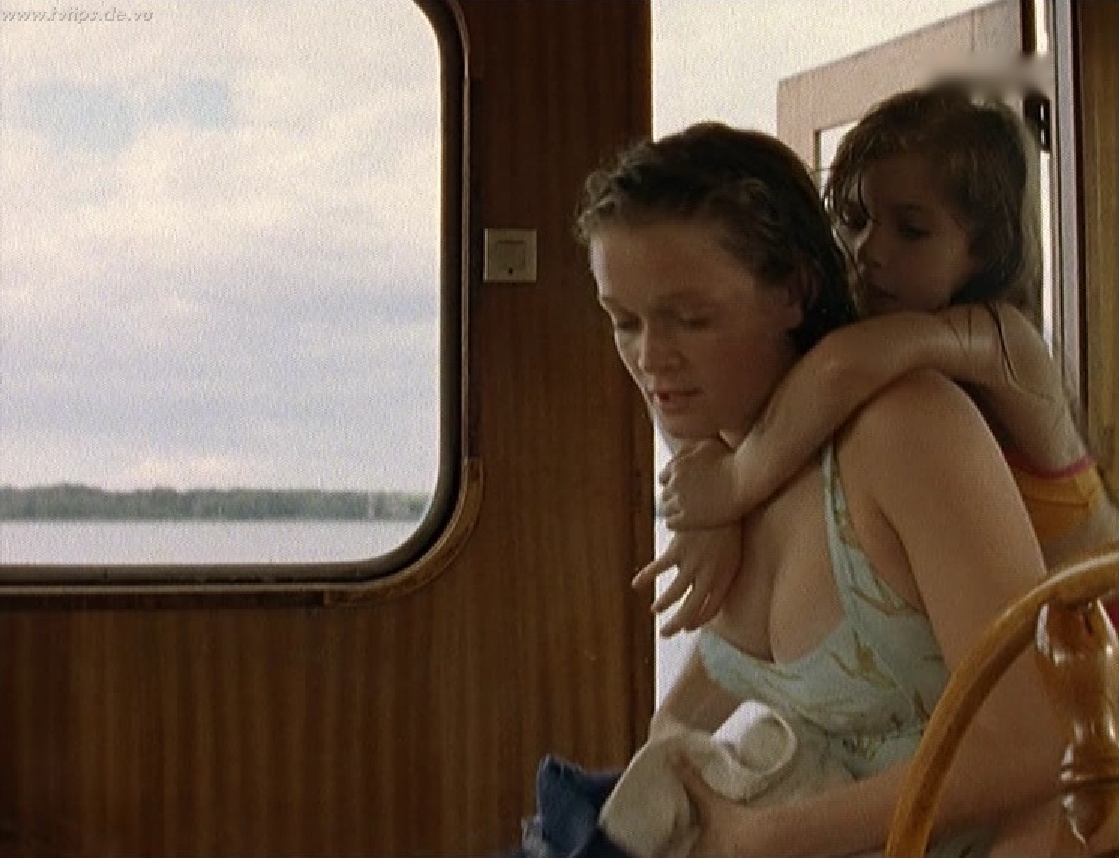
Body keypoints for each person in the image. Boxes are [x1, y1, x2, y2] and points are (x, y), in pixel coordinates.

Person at [524, 120, 1060, 857]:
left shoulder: (904, 432)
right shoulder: (725, 476)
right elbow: (676, 730)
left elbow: (1032, 747)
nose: (650, 357)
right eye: (623, 322)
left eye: (691, 318)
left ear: (793, 290)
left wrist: (764, 837)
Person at [643, 81, 1119, 638]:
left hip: (1102, 632)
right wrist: (707, 490)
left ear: (984, 248)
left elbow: (844, 366)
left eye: (911, 230)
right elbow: (734, 411)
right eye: (854, 219)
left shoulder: (1005, 341)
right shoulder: (856, 353)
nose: (868, 249)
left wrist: (731, 486)